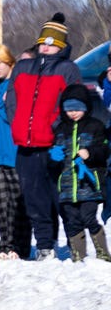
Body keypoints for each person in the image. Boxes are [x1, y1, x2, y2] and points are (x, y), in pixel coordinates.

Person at [5, 13, 82, 260]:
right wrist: (17, 123)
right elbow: (12, 100)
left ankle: (75, 245)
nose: (46, 46)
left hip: (52, 145)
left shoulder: (67, 69)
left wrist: (55, 130)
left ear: (60, 46)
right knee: (34, 199)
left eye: (52, 43)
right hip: (25, 145)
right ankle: (45, 245)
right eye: (43, 42)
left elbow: (71, 103)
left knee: (61, 198)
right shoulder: (23, 66)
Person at [0, 44, 32, 259]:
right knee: (1, 204)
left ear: (9, 62)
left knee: (18, 201)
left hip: (15, 150)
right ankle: (6, 245)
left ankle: (20, 246)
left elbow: (5, 112)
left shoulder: (17, 85)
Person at [48, 84, 111, 262]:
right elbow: (52, 161)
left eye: (77, 108)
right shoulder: (60, 129)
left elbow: (104, 150)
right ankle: (78, 254)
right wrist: (53, 157)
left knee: (88, 217)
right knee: (72, 220)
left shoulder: (95, 126)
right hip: (67, 185)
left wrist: (89, 153)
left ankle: (102, 252)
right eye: (69, 109)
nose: (73, 112)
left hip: (89, 185)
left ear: (86, 107)